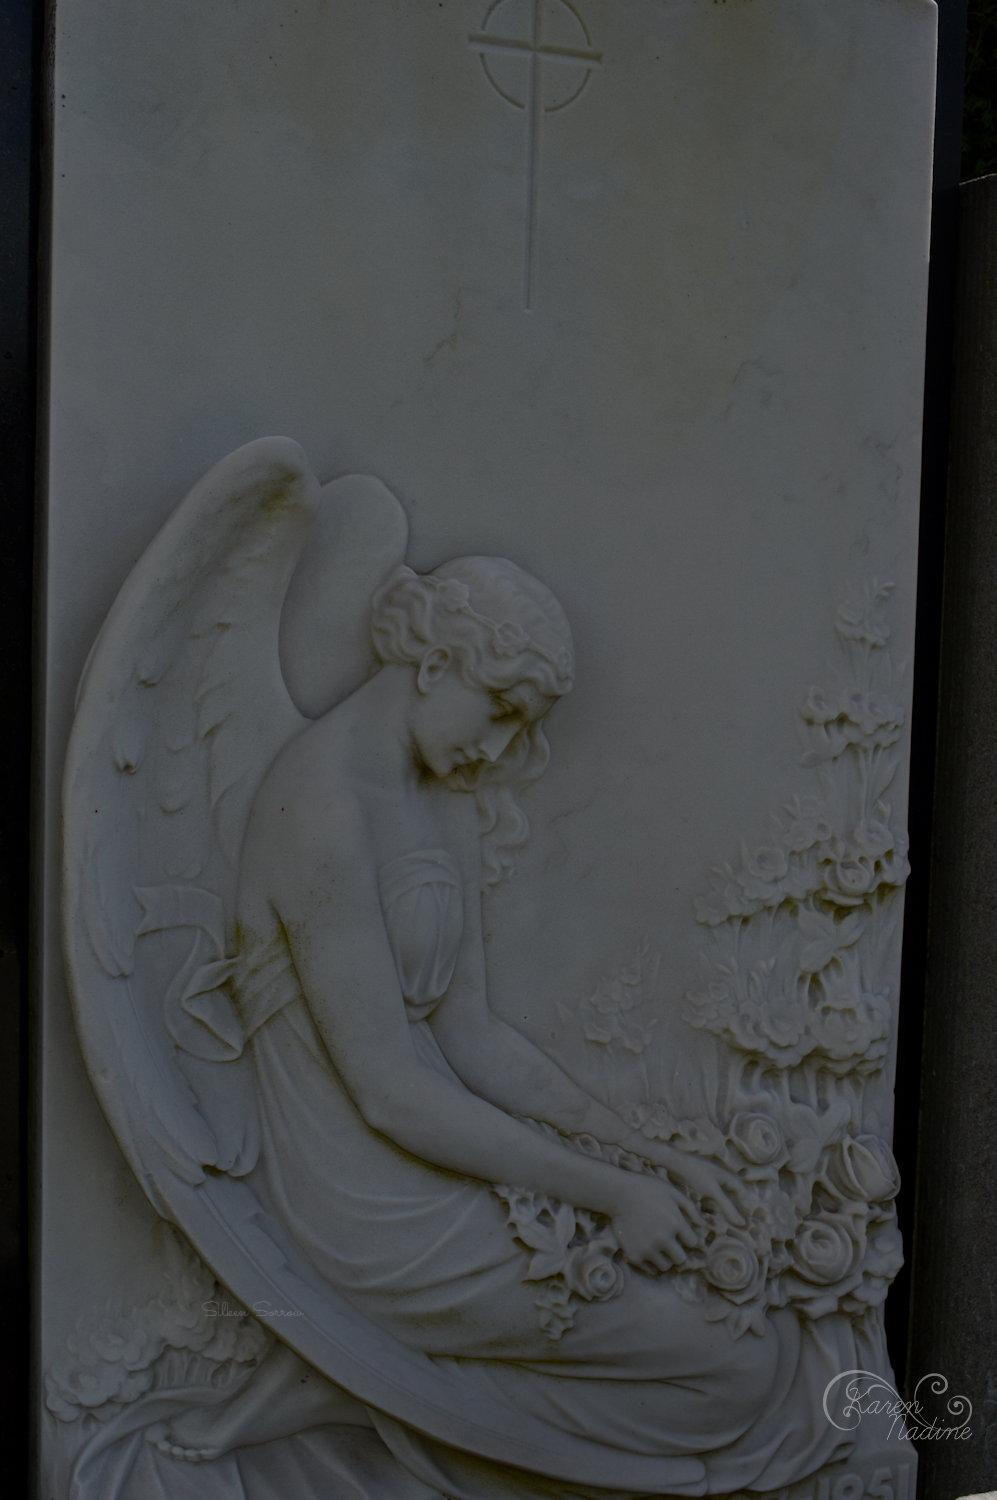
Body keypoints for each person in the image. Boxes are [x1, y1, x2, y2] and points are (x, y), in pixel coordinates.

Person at [154, 556, 851, 1494]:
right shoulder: (318, 811)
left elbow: (475, 1037)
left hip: (447, 1153)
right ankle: (365, 1391)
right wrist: (611, 1194)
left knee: (738, 1313)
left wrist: (650, 1160)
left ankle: (374, 1381)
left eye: (523, 724)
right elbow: (388, 1094)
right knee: (738, 1371)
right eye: (500, 709)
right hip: (369, 1199)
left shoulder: (436, 797)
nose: (499, 747)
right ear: (436, 663)